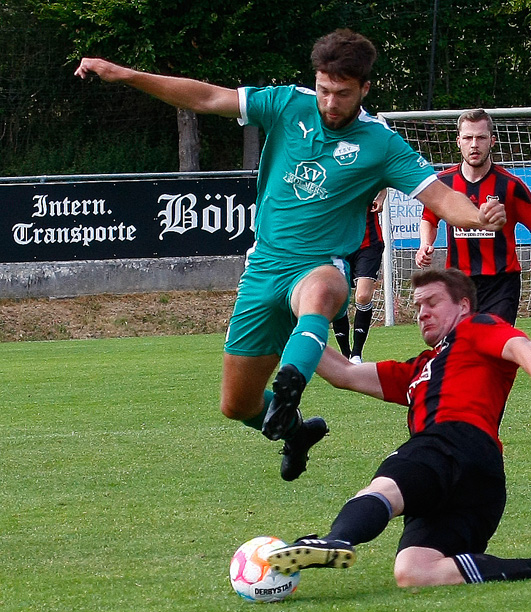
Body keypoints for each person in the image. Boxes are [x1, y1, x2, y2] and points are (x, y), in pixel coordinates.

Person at [74, 30, 506, 482]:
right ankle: (296, 432)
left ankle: (292, 383)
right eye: (323, 90)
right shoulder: (287, 103)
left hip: (322, 264)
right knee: (236, 404)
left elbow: (438, 197)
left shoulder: (381, 143)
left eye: (342, 93)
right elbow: (205, 97)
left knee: (321, 291)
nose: (330, 102)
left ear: (365, 89)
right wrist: (125, 74)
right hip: (263, 267)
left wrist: (478, 216)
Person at [268, 268, 531, 587]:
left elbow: (523, 346)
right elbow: (345, 373)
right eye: (418, 306)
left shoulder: (475, 328)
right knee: (414, 571)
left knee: (385, 488)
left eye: (432, 303)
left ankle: (335, 539)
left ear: (463, 306)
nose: (422, 313)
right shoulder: (419, 368)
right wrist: (294, 330)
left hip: (453, 442)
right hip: (479, 483)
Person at [416, 109, 531, 325]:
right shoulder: (444, 184)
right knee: (461, 348)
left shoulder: (509, 185)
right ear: (458, 141)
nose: (474, 144)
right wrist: (425, 244)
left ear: (492, 141)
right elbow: (429, 219)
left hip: (501, 282)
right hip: (458, 283)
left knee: (492, 345)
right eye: (468, 138)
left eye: (481, 138)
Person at [333, 191, 386, 364]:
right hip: (339, 246)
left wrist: (380, 197)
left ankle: (356, 354)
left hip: (368, 244)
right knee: (339, 299)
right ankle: (345, 354)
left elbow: (383, 176)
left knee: (363, 296)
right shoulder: (328, 173)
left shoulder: (365, 167)